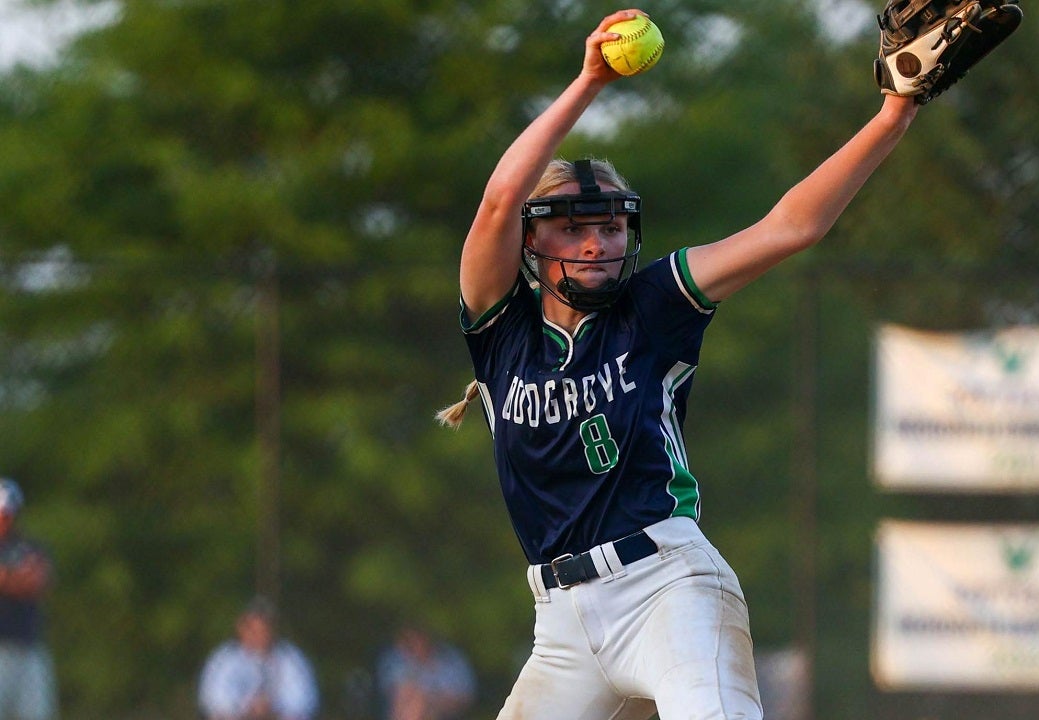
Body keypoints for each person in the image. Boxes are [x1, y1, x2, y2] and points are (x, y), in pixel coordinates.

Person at [436, 8, 919, 718]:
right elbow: (501, 198)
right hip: (561, 622)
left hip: (666, 586)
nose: (598, 242)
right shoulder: (502, 330)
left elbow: (792, 226)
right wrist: (588, 82)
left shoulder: (651, 304)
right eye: (573, 226)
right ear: (533, 243)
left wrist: (893, 116)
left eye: (609, 226)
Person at [197, 596, 319, 720]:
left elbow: (303, 700)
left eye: (264, 629)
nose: (259, 635)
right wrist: (248, 707)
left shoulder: (290, 658)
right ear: (241, 628)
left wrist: (272, 707)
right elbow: (215, 698)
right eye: (253, 629)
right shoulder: (224, 659)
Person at [0, 478, 58, 720]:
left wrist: (8, 578)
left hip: (27, 645)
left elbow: (39, 580)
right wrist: (15, 577)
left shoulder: (27, 545)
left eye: (7, 513)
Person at [375, 624, 475, 720]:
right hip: (411, 706)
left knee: (419, 701)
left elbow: (464, 695)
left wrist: (431, 699)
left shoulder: (451, 659)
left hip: (444, 706)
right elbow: (394, 690)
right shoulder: (397, 659)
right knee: (413, 698)